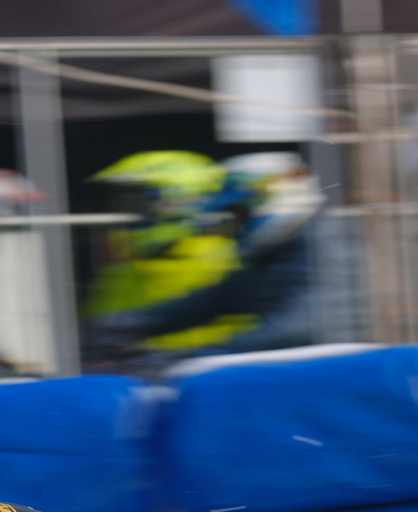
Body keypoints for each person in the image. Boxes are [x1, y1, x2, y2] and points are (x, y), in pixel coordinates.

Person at [80, 150, 324, 366]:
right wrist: (123, 325)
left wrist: (197, 357)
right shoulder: (276, 254)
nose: (235, 226)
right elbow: (215, 299)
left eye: (238, 214)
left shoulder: (320, 244)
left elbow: (294, 329)